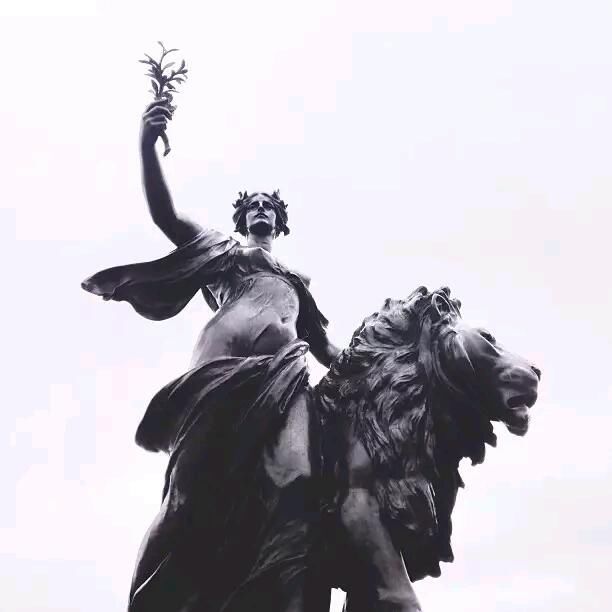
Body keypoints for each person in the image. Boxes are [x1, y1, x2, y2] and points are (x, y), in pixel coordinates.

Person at [81, 99, 339, 612]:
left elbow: (329, 349)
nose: (261, 208)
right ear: (242, 217)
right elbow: (166, 215)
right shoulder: (224, 251)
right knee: (190, 496)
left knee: (300, 477)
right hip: (222, 366)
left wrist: (386, 351)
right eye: (253, 205)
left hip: (286, 375)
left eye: (269, 205)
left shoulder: (300, 282)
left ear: (280, 221)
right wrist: (146, 145)